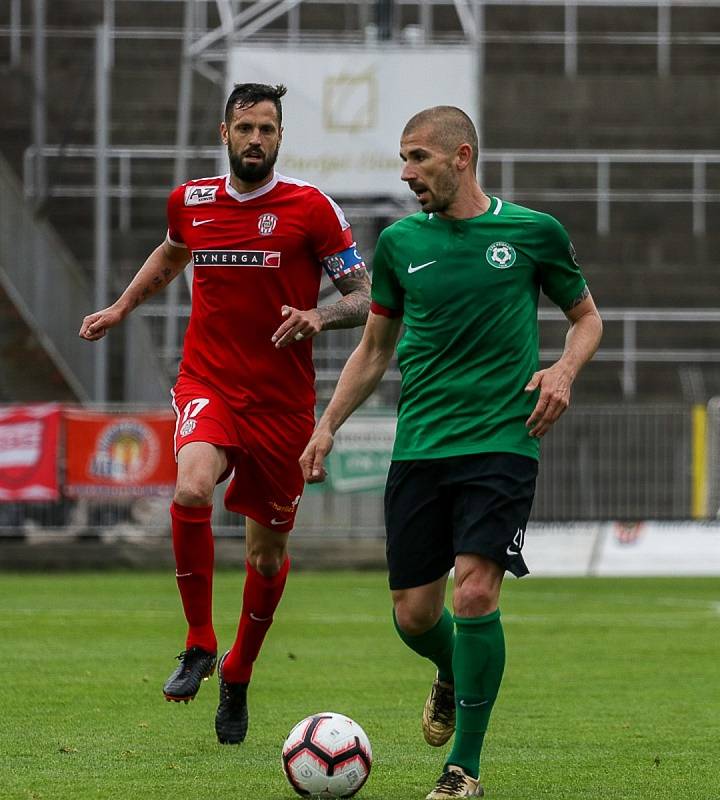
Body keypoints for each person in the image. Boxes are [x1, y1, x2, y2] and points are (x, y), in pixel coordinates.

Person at [299, 106, 602, 799]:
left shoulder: (532, 233)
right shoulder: (401, 244)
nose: (407, 175)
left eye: (418, 159)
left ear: (460, 156)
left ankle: (462, 770)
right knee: (413, 614)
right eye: (403, 162)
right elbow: (374, 350)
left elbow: (588, 319)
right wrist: (327, 426)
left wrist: (561, 371)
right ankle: (449, 670)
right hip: (421, 447)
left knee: (474, 591)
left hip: (501, 442)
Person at [79, 83, 370, 745]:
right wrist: (123, 307)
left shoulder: (310, 209)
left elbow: (363, 295)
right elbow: (172, 251)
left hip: (282, 406)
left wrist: (318, 314)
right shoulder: (193, 201)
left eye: (268, 129)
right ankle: (199, 641)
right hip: (209, 382)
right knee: (188, 486)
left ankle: (237, 673)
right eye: (247, 129)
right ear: (225, 133)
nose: (257, 140)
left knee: (266, 560)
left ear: (279, 137)